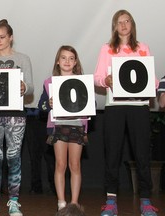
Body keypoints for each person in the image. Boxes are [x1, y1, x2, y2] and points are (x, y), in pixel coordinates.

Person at [94, 9, 159, 216]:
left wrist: (153, 84)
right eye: (119, 22)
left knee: (141, 154)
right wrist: (106, 81)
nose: (123, 25)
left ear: (132, 24)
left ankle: (146, 201)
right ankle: (111, 200)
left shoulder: (143, 48)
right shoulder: (107, 49)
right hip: (114, 107)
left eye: (127, 21)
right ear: (114, 26)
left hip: (139, 107)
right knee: (112, 153)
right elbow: (97, 77)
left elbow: (153, 79)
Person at [0, 19, 33, 216]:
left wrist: (24, 87)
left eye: (2, 37)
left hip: (15, 114)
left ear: (11, 37)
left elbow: (31, 87)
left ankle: (13, 201)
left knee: (13, 157)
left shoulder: (23, 58)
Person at [38, 45, 87, 211]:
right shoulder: (49, 83)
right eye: (63, 58)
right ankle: (61, 202)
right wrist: (49, 103)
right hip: (58, 127)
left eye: (71, 58)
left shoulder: (82, 81)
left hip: (77, 127)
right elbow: (41, 106)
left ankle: (74, 203)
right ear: (58, 62)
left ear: (75, 63)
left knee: (75, 165)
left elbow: (91, 105)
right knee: (60, 164)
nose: (67, 61)